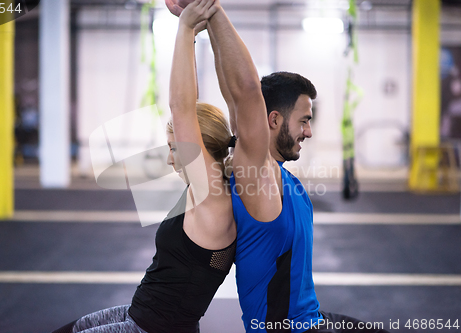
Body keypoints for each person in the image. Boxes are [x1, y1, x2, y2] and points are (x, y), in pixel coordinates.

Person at [202, 1, 390, 332]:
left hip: (310, 320)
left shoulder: (281, 178)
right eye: (303, 121)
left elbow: (236, 100)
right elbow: (243, 92)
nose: (309, 131)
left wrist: (206, 23)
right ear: (273, 119)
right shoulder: (258, 177)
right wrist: (212, 9)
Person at [50, 1, 236, 333]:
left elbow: (182, 106)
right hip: (143, 313)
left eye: (173, 147)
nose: (169, 158)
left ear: (199, 147)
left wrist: (186, 27)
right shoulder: (208, 189)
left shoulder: (212, 196)